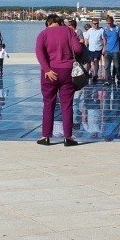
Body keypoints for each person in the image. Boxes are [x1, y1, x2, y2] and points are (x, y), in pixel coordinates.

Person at [35, 13, 84, 146]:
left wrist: (47, 69)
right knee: (67, 105)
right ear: (60, 22)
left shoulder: (43, 34)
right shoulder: (68, 31)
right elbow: (78, 49)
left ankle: (46, 136)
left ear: (48, 23)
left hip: (49, 73)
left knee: (48, 104)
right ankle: (68, 137)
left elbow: (39, 52)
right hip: (67, 72)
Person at [101, 15, 120, 84]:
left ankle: (119, 78)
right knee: (107, 66)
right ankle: (108, 80)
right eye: (107, 23)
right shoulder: (105, 30)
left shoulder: (117, 28)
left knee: (117, 66)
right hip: (108, 50)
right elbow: (104, 39)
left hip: (115, 50)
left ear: (113, 22)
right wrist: (104, 47)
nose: (109, 24)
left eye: (110, 23)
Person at [83, 18, 105, 82]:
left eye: (97, 23)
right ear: (92, 24)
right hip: (90, 48)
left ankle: (95, 74)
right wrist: (85, 47)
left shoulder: (101, 30)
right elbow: (86, 39)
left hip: (98, 48)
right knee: (89, 61)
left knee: (96, 60)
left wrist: (104, 48)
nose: (96, 25)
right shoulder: (90, 30)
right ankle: (87, 73)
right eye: (94, 23)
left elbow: (104, 39)